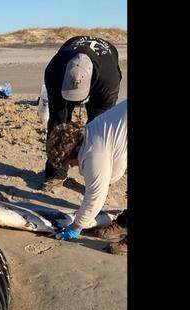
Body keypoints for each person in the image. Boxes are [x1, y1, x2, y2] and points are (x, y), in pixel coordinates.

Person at [50, 99, 128, 254]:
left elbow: (96, 195)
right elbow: (116, 169)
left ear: (73, 152)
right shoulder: (90, 131)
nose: (72, 166)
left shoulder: (94, 153)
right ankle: (125, 222)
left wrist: (77, 226)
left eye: (68, 163)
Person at [42, 36, 122, 183]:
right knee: (58, 123)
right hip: (64, 66)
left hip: (104, 72)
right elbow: (56, 119)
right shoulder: (54, 71)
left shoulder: (109, 79)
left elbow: (103, 128)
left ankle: (96, 175)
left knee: (99, 131)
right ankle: (55, 173)